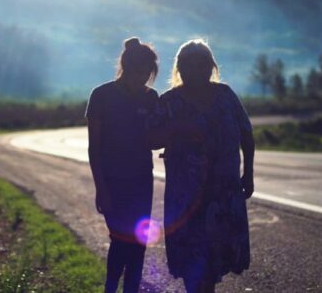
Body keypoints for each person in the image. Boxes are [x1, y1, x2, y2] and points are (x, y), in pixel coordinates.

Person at [150, 39, 254, 293]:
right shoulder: (169, 102)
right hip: (187, 197)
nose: (197, 69)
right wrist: (178, 129)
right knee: (193, 262)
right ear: (180, 68)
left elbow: (246, 133)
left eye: (203, 64)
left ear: (211, 67)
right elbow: (152, 139)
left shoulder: (226, 95)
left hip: (223, 192)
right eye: (191, 64)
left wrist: (248, 173)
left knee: (215, 259)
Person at [86, 37, 160, 293]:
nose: (142, 78)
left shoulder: (152, 98)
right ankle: (110, 287)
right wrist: (101, 188)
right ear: (126, 67)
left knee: (138, 242)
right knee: (120, 240)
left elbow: (154, 140)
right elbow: (94, 148)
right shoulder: (102, 95)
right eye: (138, 71)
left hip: (142, 181)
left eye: (147, 73)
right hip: (112, 181)